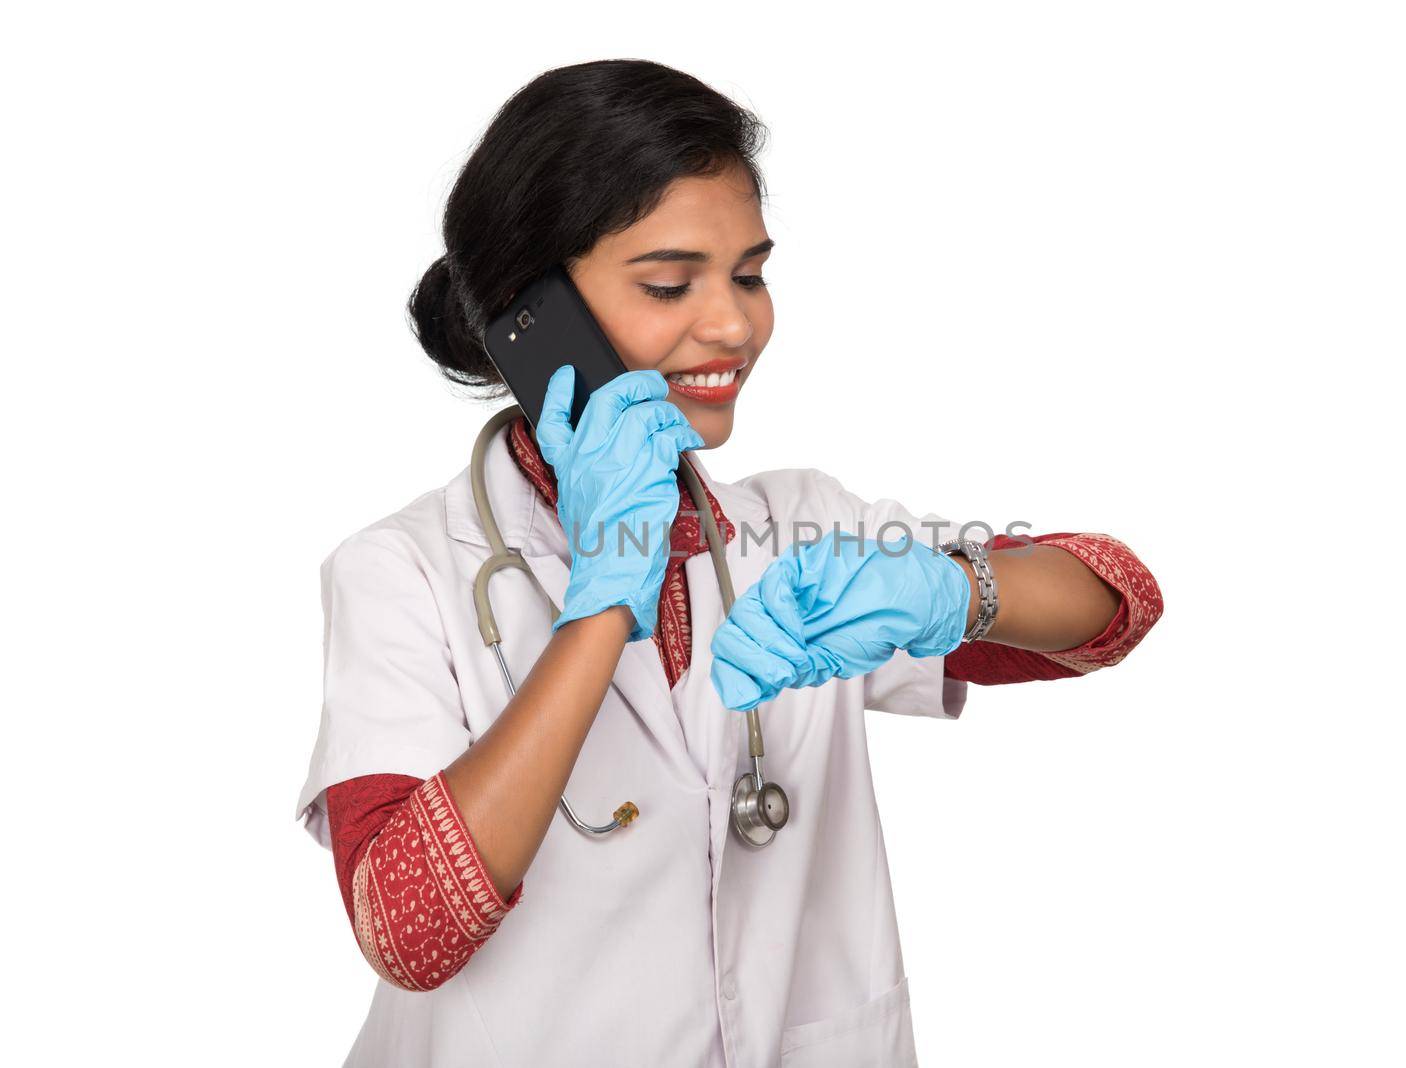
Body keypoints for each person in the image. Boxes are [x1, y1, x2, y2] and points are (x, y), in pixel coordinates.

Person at [296, 58, 1164, 1068]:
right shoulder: (402, 572)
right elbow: (407, 931)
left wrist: (948, 590)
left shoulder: (796, 528)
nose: (733, 325)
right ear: (531, 320)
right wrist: (598, 611)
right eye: (670, 283)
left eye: (748, 273)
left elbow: (1117, 605)